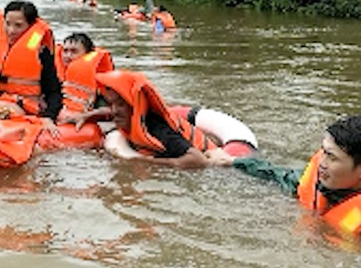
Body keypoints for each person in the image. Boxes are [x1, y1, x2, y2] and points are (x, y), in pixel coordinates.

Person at [207, 115, 361, 236]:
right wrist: (234, 161)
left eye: (332, 157)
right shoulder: (319, 179)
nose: (322, 163)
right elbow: (279, 175)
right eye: (323, 152)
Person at [93, 70, 253, 169]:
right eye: (111, 104)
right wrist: (85, 116)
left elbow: (198, 161)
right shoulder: (134, 117)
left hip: (215, 163)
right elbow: (113, 112)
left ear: (134, 106)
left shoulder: (157, 129)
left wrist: (144, 162)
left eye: (120, 104)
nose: (113, 111)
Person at [0, 0, 62, 136]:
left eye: (18, 26)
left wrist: (49, 117)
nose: (11, 30)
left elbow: (53, 91)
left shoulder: (41, 52)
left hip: (18, 104)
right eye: (7, 24)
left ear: (30, 26)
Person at [54, 33, 114, 129]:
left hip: (85, 124)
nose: (68, 56)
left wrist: (85, 116)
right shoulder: (51, 76)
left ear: (87, 54)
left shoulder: (101, 81)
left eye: (74, 51)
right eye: (65, 51)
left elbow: (114, 110)